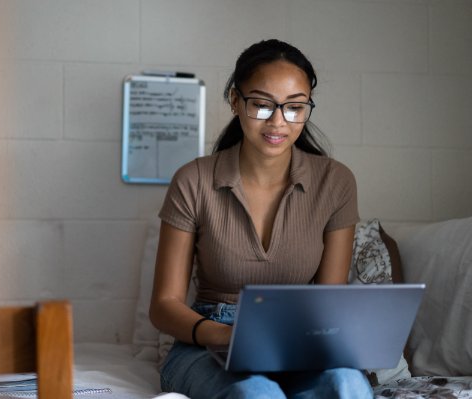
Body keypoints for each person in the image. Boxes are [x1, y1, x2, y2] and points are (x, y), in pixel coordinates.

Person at [149, 39, 374, 399]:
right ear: (236, 101)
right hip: (209, 339)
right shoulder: (193, 180)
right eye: (262, 105)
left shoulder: (336, 181)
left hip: (296, 340)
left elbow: (330, 302)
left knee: (348, 385)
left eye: (295, 108)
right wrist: (227, 336)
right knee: (255, 393)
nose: (279, 121)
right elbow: (163, 306)